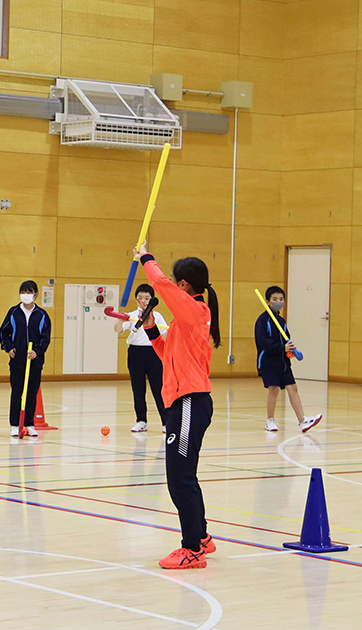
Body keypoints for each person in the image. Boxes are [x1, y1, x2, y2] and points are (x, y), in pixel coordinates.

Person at [136, 241, 217, 569]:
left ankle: (191, 549)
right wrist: (152, 327)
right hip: (184, 403)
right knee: (186, 476)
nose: (172, 285)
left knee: (178, 479)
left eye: (175, 281)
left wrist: (146, 259)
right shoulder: (187, 321)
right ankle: (202, 538)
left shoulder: (195, 310)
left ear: (185, 286)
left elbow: (162, 286)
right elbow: (165, 353)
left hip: (189, 402)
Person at [255, 286, 322, 433]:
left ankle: (302, 421)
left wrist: (291, 352)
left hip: (283, 362)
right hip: (268, 361)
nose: (278, 302)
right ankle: (270, 420)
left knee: (293, 388)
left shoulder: (281, 321)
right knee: (274, 389)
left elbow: (287, 339)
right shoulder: (262, 320)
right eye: (275, 299)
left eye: (281, 299)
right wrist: (281, 348)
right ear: (268, 302)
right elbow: (263, 342)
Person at [0, 280, 51, 438]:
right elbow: (3, 333)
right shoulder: (14, 312)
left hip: (35, 362)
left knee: (31, 393)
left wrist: (37, 351)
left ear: (35, 294)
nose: (26, 295)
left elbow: (45, 338)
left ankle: (29, 423)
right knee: (17, 392)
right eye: (23, 292)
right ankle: (14, 424)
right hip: (17, 360)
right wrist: (8, 348)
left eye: (29, 292)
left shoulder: (42, 315)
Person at [115, 283, 169, 433]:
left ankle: (166, 422)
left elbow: (164, 335)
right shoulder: (131, 315)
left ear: (152, 299)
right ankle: (141, 421)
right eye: (140, 298)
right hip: (135, 354)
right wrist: (121, 319)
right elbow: (118, 330)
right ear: (136, 299)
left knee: (158, 388)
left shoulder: (157, 316)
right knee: (138, 389)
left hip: (154, 354)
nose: (144, 301)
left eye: (147, 298)